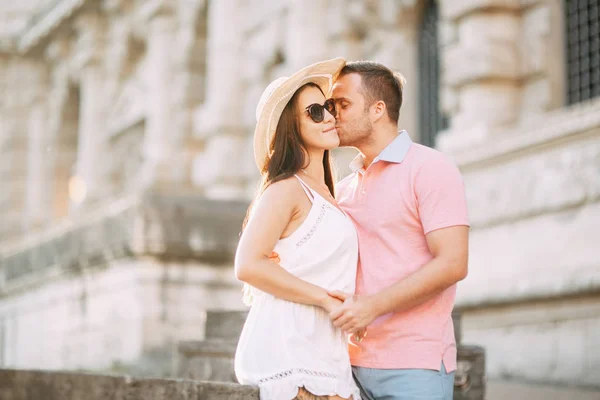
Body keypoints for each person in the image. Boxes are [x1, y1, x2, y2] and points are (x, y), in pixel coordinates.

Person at [328, 61, 470, 400]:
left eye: (343, 104)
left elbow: (453, 263)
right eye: (331, 106)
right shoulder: (343, 189)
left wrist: (372, 306)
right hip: (345, 365)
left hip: (413, 365)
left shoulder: (431, 168)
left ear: (378, 109)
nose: (333, 115)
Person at [234, 58, 362, 400]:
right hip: (289, 349)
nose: (331, 117)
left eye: (330, 107)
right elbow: (247, 264)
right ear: (292, 126)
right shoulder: (286, 189)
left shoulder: (332, 196)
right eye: (316, 112)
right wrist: (324, 299)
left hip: (326, 350)